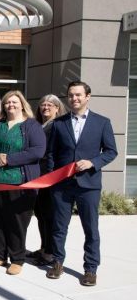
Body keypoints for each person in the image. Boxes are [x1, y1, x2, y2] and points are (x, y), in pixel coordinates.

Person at [46, 81, 117, 287]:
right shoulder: (59, 124)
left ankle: (90, 269)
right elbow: (51, 153)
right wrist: (52, 177)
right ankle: (57, 262)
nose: (74, 99)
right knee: (59, 227)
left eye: (78, 95)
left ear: (88, 96)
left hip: (89, 185)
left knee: (90, 229)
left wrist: (93, 162)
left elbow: (111, 152)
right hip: (62, 185)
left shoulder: (102, 122)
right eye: (70, 95)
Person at [0, 90, 46, 276]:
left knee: (16, 222)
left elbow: (37, 151)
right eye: (8, 102)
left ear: (22, 104)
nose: (11, 105)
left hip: (21, 183)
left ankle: (17, 258)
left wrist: (8, 159)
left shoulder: (32, 126)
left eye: (14, 102)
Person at [27, 94, 67, 266]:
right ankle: (44, 247)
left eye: (50, 105)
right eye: (43, 104)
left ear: (58, 108)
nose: (46, 107)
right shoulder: (38, 125)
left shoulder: (59, 126)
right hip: (37, 176)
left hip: (51, 177)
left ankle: (50, 252)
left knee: (49, 216)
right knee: (41, 214)